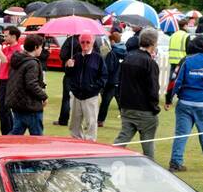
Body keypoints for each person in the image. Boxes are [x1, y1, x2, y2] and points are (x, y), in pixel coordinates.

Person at [165, 34, 203, 171]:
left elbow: (175, 81)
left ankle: (176, 162)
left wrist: (169, 99)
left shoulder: (186, 61)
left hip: (185, 103)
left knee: (181, 134)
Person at [114, 28, 162, 160]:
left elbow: (120, 84)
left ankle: (110, 159)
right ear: (153, 43)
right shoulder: (150, 63)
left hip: (127, 107)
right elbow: (153, 89)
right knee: (148, 145)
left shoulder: (128, 59)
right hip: (144, 110)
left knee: (122, 139)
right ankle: (150, 172)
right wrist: (154, 108)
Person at [63, 33, 107, 141]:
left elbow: (104, 76)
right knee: (74, 122)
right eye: (83, 42)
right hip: (76, 95)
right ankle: (76, 142)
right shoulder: (76, 57)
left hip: (91, 96)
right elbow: (69, 75)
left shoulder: (98, 58)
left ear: (92, 42)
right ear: (79, 42)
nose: (85, 44)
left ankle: (90, 144)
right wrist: (68, 67)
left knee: (91, 123)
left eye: (88, 42)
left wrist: (93, 87)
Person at [5, 34, 47, 135]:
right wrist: (44, 96)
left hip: (17, 103)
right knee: (36, 137)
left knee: (16, 133)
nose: (42, 49)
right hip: (30, 106)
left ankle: (4, 148)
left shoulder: (18, 58)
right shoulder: (32, 63)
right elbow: (31, 84)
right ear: (36, 47)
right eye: (41, 47)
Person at [0, 25, 21, 134]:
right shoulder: (6, 47)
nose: (4, 38)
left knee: (5, 110)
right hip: (3, 80)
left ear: (14, 37)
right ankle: (9, 132)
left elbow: (4, 60)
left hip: (10, 81)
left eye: (6, 36)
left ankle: (7, 133)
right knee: (4, 110)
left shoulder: (17, 50)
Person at [98, 25, 125, 126]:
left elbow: (109, 68)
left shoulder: (112, 53)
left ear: (112, 41)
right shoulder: (125, 51)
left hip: (111, 81)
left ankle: (100, 120)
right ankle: (126, 121)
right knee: (121, 103)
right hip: (121, 80)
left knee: (105, 101)